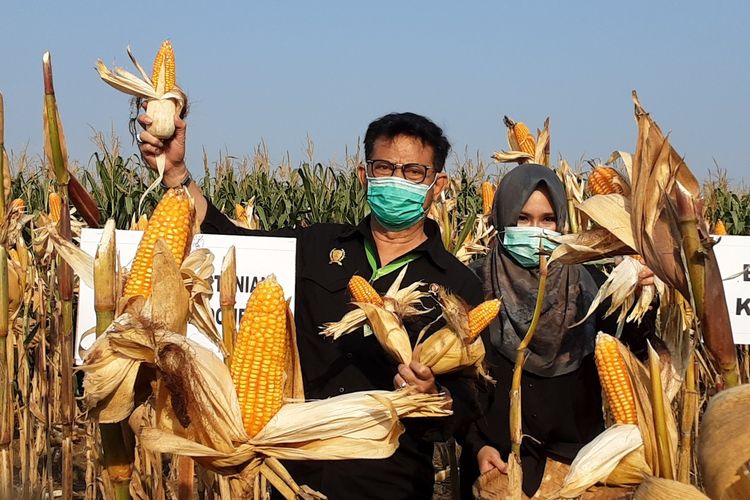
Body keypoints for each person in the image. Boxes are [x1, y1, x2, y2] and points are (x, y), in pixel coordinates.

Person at [137, 111, 484, 499]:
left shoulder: (458, 283)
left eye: (413, 172)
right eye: (384, 167)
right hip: (291, 471)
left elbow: (468, 401)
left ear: (438, 185)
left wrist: (433, 394)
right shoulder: (317, 246)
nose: (396, 180)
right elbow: (232, 244)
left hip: (388, 478)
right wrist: (176, 172)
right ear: (363, 175)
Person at [459, 164, 656, 498]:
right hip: (497, 465)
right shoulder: (473, 283)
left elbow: (631, 351)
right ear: (502, 218)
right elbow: (458, 379)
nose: (536, 230)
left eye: (547, 219)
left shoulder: (591, 284)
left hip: (576, 464)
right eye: (523, 218)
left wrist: (640, 299)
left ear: (561, 222)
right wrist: (476, 445)